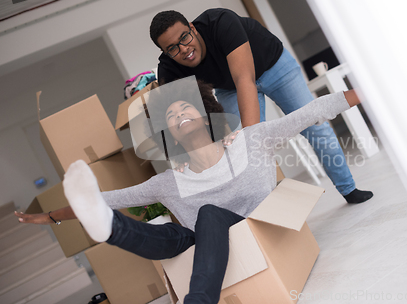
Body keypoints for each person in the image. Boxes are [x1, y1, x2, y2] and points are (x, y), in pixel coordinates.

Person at [16, 78, 362, 304]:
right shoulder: (169, 181)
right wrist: (47, 217)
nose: (179, 114)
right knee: (171, 233)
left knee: (209, 213)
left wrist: (367, 89)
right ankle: (111, 228)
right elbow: (103, 199)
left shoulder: (250, 141)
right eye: (171, 115)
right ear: (167, 134)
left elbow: (309, 114)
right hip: (203, 244)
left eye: (186, 107)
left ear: (207, 115)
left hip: (258, 228)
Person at [150, 8, 373, 204]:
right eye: (172, 48)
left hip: (273, 66)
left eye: (185, 37)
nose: (183, 49)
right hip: (229, 87)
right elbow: (173, 121)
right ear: (165, 52)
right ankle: (270, 210)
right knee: (242, 151)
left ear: (192, 28)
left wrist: (250, 136)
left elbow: (244, 79)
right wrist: (184, 160)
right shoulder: (169, 69)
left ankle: (349, 189)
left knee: (314, 127)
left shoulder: (220, 22)